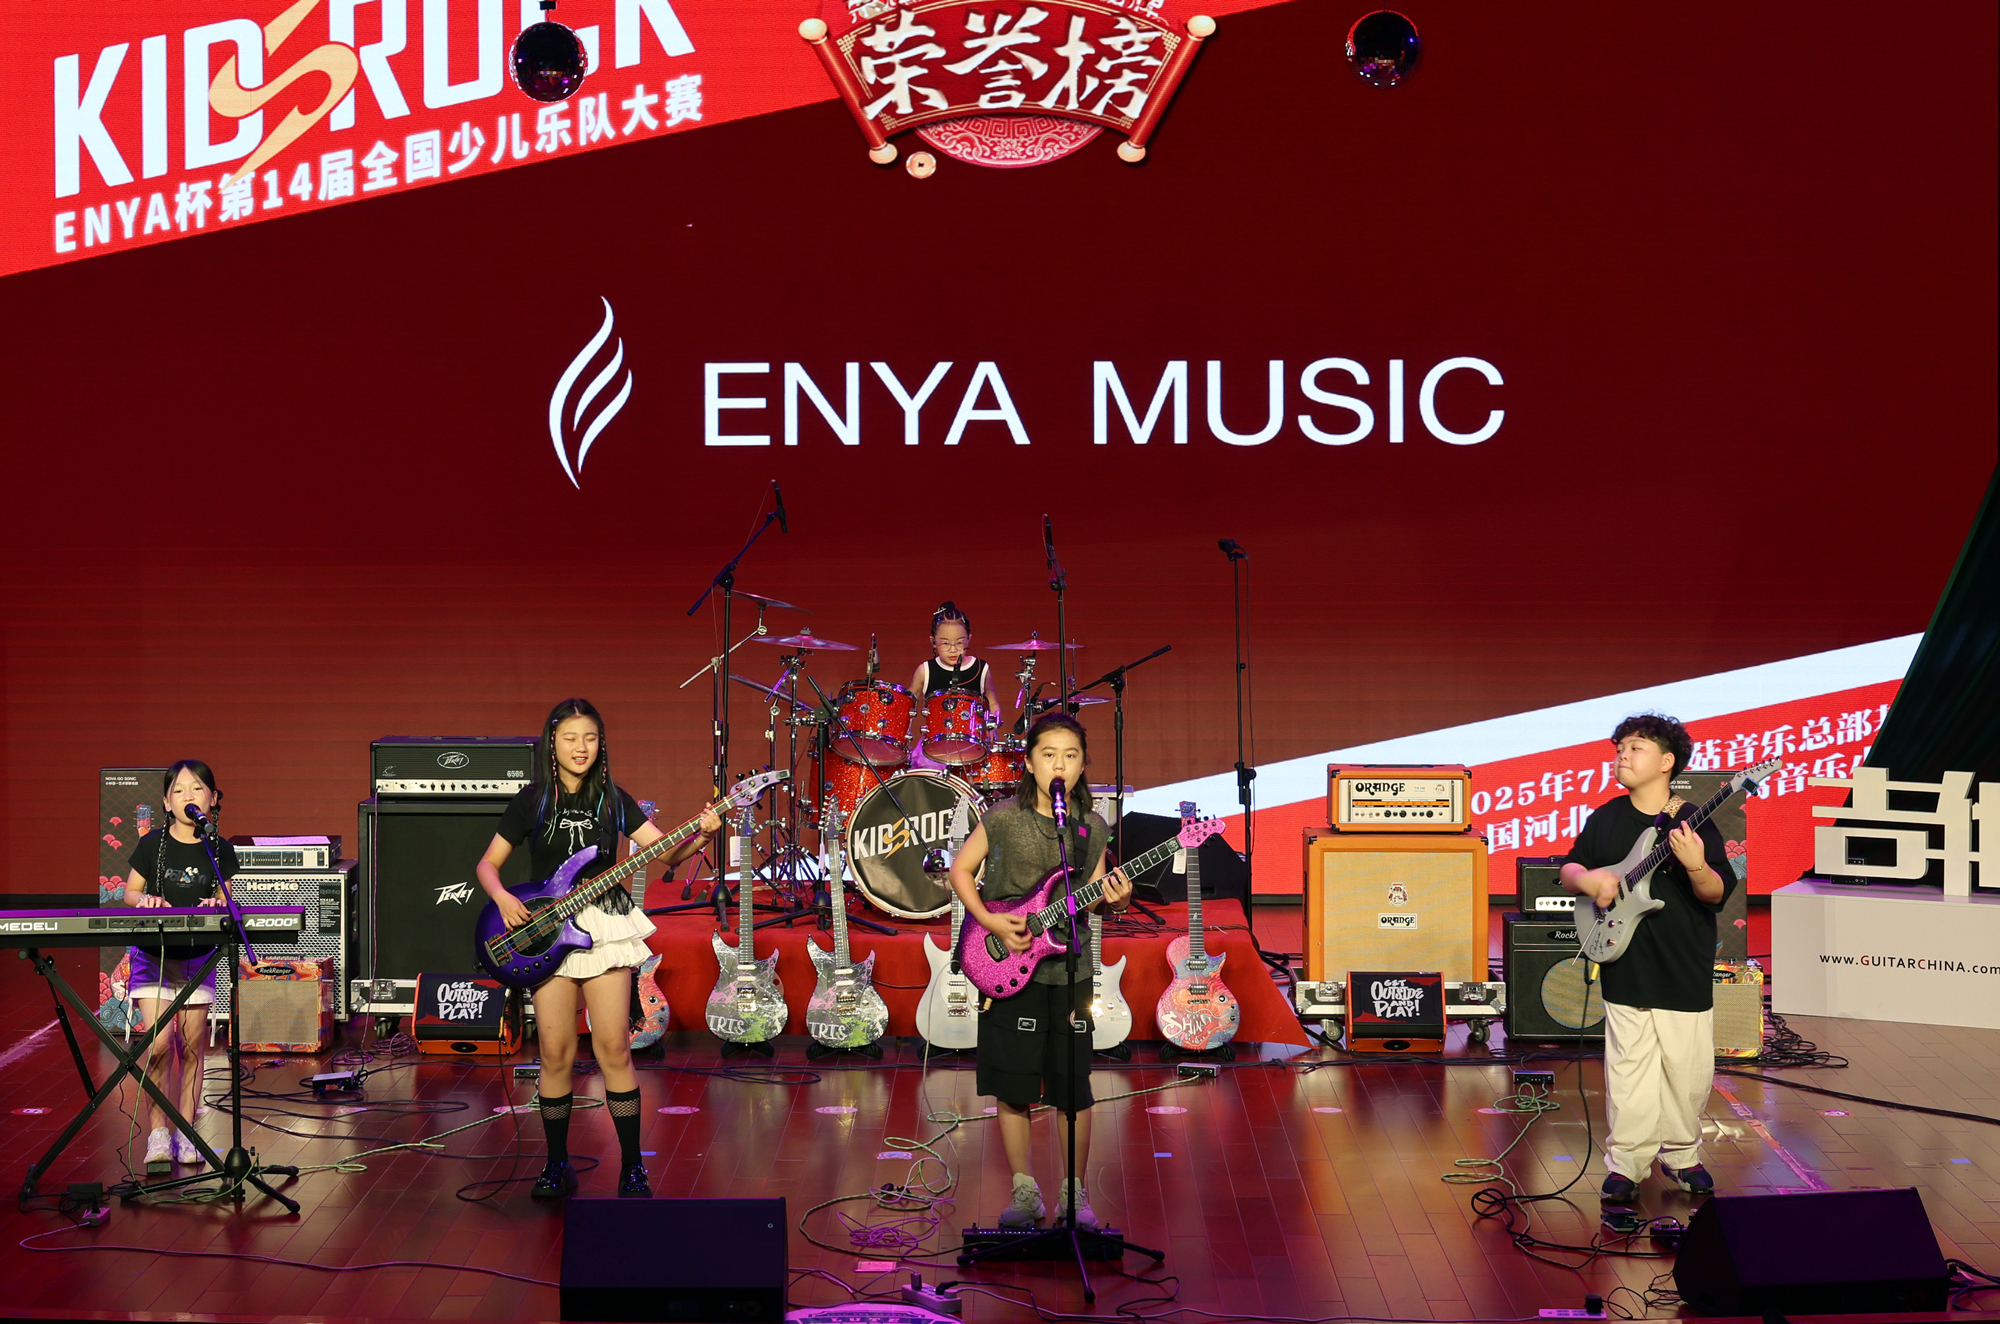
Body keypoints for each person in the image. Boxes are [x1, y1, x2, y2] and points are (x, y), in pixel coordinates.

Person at [477, 698, 720, 1200]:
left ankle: (632, 1167)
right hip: (546, 929)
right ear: (552, 743)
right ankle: (556, 1164)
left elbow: (667, 852)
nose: (580, 747)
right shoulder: (531, 801)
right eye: (570, 738)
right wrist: (501, 898)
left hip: (604, 926)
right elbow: (487, 865)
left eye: (589, 738)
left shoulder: (613, 800)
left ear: (601, 743)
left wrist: (701, 834)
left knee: (613, 1048)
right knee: (555, 1054)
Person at [946, 714, 1134, 1229]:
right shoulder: (1003, 818)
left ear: (1082, 765)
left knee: (1074, 1089)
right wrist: (990, 921)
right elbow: (960, 870)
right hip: (1009, 965)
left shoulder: (1091, 827)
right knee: (1014, 1087)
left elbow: (1090, 896)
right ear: (1029, 762)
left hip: (1070, 972)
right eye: (1049, 754)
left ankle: (1074, 1194)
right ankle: (1024, 1191)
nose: (1059, 765)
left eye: (1070, 756)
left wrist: (1116, 901)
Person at [1559, 713, 1735, 1205]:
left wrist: (1695, 864)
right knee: (1628, 1069)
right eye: (1619, 749)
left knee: (1687, 1069)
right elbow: (1570, 866)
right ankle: (1627, 1164)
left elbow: (1715, 892)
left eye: (1635, 748)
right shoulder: (1607, 817)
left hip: (1681, 961)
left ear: (1666, 762)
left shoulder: (1693, 818)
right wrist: (1588, 880)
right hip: (1625, 958)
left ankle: (1682, 1155)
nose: (1622, 756)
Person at [122, 760, 236, 1174]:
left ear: (213, 798)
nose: (189, 796)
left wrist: (217, 903)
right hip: (153, 957)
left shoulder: (219, 848)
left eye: (198, 788)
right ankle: (158, 1133)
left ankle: (186, 1131)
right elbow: (130, 894)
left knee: (191, 1047)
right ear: (167, 802)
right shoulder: (152, 843)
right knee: (157, 1045)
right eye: (180, 790)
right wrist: (146, 900)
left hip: (197, 958)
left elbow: (227, 897)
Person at [907, 601, 1004, 769]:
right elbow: (906, 704)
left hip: (972, 743)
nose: (953, 649)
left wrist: (992, 725)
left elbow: (992, 701)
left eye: (959, 642)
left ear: (969, 639)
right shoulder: (925, 670)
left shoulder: (981, 668)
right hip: (935, 746)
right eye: (945, 643)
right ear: (933, 641)